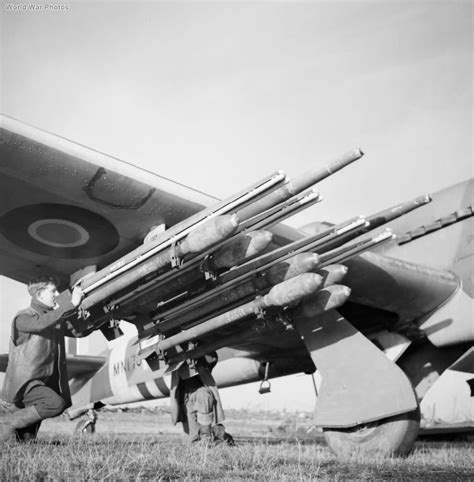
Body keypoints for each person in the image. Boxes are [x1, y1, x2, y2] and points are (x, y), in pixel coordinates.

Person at [0, 275, 89, 442]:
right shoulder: (23, 318)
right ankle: (5, 422)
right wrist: (70, 304)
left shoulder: (54, 318)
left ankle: (17, 439)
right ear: (40, 295)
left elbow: (79, 332)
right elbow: (41, 323)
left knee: (26, 440)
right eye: (52, 291)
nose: (56, 294)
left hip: (44, 382)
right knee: (55, 403)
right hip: (27, 383)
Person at [170, 352, 234, 445]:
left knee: (203, 395)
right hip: (185, 399)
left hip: (198, 393)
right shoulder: (175, 355)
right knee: (191, 444)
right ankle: (218, 435)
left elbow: (212, 358)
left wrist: (196, 352)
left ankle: (208, 435)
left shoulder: (204, 356)